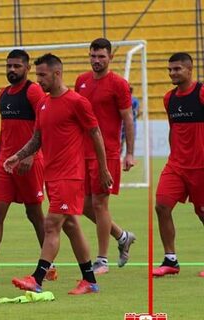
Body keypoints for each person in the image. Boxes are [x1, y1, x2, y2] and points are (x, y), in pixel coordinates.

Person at [5, 53, 112, 295]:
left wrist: (103, 168)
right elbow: (37, 138)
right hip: (52, 176)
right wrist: (18, 155)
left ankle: (37, 278)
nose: (39, 80)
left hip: (70, 176)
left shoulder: (77, 102)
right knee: (71, 225)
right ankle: (89, 280)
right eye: (37, 75)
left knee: (51, 224)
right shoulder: (43, 103)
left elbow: (95, 134)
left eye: (43, 75)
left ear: (57, 73)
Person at [0, 49, 52, 285]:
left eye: (17, 66)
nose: (12, 70)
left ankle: (48, 264)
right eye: (9, 65)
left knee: (34, 214)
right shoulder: (3, 94)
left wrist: (32, 154)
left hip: (30, 163)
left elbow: (45, 122)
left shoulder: (34, 91)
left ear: (27, 68)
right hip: (5, 164)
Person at [74, 38, 136, 274]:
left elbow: (128, 118)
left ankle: (102, 260)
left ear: (110, 57)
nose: (96, 60)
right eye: (93, 56)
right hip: (82, 151)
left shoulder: (118, 84)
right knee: (83, 205)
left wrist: (129, 152)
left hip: (107, 153)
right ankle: (122, 236)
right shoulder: (81, 81)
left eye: (101, 56)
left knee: (100, 204)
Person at [153, 52, 204, 277]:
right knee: (161, 205)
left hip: (201, 166)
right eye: (170, 69)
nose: (172, 73)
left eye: (177, 69)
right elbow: (174, 130)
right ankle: (170, 260)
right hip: (176, 165)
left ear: (189, 69)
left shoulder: (201, 93)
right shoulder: (169, 98)